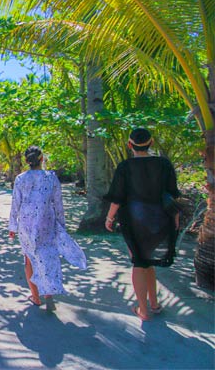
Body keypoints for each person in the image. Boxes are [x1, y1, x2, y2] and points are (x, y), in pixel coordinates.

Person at [105, 128, 180, 321]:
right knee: (148, 262)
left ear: (130, 145)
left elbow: (117, 198)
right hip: (159, 220)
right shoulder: (164, 164)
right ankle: (153, 304)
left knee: (139, 262)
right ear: (151, 143)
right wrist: (176, 218)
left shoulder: (124, 167)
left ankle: (143, 311)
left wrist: (110, 218)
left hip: (133, 221)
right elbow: (172, 194)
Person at [9, 146, 87, 311]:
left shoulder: (20, 179)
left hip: (26, 222)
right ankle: (48, 293)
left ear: (26, 161)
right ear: (42, 159)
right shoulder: (51, 177)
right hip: (46, 220)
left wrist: (12, 226)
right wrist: (61, 225)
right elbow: (58, 203)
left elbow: (15, 203)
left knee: (29, 257)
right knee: (47, 255)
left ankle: (36, 297)